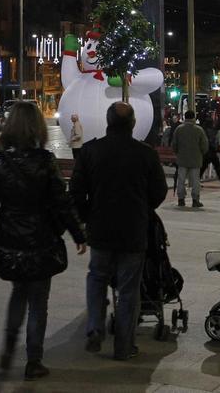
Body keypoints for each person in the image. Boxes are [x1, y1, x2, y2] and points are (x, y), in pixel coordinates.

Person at [0, 102, 86, 381]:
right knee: (38, 301)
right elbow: (61, 202)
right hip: (41, 240)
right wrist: (78, 234)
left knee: (19, 292)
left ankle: (10, 345)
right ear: (37, 128)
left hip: (9, 239)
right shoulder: (45, 161)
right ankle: (33, 360)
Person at [70, 102, 168, 362]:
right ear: (133, 123)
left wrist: (86, 216)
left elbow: (76, 192)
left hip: (100, 228)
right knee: (128, 289)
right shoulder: (145, 154)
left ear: (107, 121)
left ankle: (94, 326)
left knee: (97, 278)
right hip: (133, 229)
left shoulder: (90, 151)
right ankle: (124, 346)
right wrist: (143, 207)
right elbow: (159, 192)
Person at [172, 110, 209, 208]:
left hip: (182, 159)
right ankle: (195, 200)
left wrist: (178, 153)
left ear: (185, 117)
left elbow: (174, 144)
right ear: (194, 118)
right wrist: (201, 153)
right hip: (196, 159)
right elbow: (204, 146)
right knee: (195, 180)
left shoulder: (179, 129)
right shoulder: (199, 130)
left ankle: (181, 199)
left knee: (181, 179)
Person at [199, 113, 220, 188]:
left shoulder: (203, 130)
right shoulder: (210, 131)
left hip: (207, 152)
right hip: (211, 152)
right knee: (217, 168)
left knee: (203, 168)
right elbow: (211, 142)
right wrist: (218, 148)